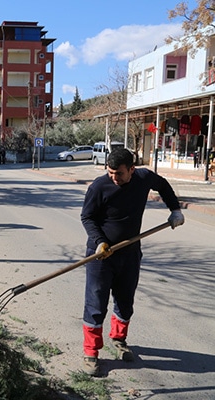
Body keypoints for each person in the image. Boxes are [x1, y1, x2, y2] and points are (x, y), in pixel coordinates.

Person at [79, 147, 185, 376]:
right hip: (101, 255)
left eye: (119, 173)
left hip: (130, 253)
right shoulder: (99, 186)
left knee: (125, 300)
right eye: (110, 173)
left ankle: (119, 340)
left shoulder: (143, 178)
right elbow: (87, 217)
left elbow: (164, 185)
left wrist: (175, 209)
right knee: (96, 304)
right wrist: (99, 241)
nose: (114, 178)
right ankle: (91, 353)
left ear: (132, 170)